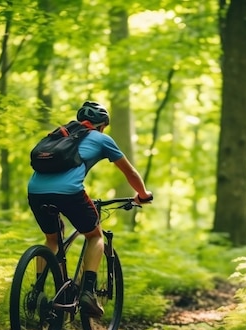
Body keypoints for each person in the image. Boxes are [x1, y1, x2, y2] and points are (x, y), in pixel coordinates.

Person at [27, 101, 153, 316]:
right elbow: (130, 172)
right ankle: (88, 293)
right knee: (94, 236)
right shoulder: (102, 139)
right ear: (103, 125)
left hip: (36, 192)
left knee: (52, 239)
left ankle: (36, 291)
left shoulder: (59, 134)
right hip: (70, 193)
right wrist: (142, 195)